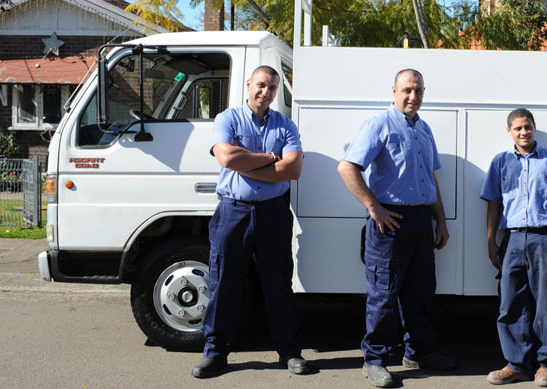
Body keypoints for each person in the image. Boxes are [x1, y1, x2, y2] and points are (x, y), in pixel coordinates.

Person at [337, 69, 456, 388]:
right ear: (393, 91)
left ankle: (418, 352)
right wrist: (373, 207)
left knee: (420, 291)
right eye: (407, 90)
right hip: (388, 223)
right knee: (383, 294)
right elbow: (347, 167)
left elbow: (431, 179)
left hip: (420, 221)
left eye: (418, 91)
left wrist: (441, 220)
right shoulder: (378, 125)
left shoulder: (424, 129)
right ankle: (374, 359)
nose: (412, 96)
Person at [192, 65, 310, 379]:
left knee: (278, 285)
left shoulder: (285, 125)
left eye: (271, 88)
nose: (265, 92)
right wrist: (272, 158)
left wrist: (247, 162)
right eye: (260, 85)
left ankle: (289, 353)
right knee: (224, 283)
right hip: (234, 212)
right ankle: (215, 353)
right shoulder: (227, 119)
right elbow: (227, 158)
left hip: (273, 212)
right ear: (248, 84)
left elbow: (294, 169)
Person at [480, 109, 547, 387]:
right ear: (509, 132)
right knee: (510, 302)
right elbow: (493, 204)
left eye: (528, 127)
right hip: (511, 240)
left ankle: (544, 364)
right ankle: (517, 364)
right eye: (518, 128)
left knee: (543, 302)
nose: (524, 132)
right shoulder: (500, 163)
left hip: (543, 238)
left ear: (535, 129)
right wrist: (490, 241)